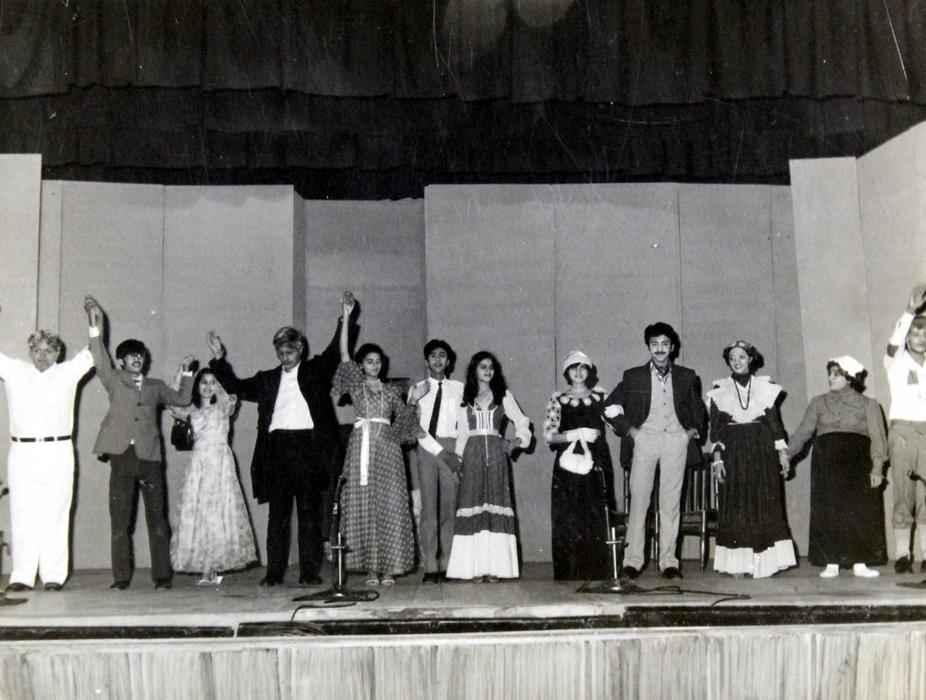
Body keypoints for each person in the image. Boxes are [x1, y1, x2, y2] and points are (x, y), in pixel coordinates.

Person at [207, 292, 359, 587]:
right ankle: (273, 573)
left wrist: (346, 317)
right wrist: (218, 359)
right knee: (277, 515)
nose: (285, 357)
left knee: (309, 514)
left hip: (308, 448)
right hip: (276, 450)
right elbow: (236, 385)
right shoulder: (266, 379)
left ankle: (309, 572)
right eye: (280, 352)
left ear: (300, 349)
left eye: (289, 351)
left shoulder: (315, 371)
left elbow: (333, 351)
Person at [84, 296, 195, 590]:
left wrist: (187, 372)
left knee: (157, 520)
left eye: (141, 355)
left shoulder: (156, 386)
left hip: (150, 458)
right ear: (122, 361)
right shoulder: (113, 379)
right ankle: (121, 578)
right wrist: (95, 323)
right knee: (120, 521)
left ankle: (162, 576)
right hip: (121, 456)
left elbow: (183, 399)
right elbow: (99, 355)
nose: (137, 359)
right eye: (131, 356)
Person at [0, 305, 94, 593]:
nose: (43, 356)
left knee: (57, 511)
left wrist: (94, 322)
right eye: (37, 350)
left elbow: (93, 352)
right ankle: (22, 575)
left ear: (58, 353)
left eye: (49, 351)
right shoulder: (15, 371)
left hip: (58, 451)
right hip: (22, 452)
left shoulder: (68, 372)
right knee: (22, 512)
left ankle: (54, 574)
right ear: (30, 351)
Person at [603, 322, 705, 580]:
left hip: (675, 442)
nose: (660, 349)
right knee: (639, 502)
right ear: (648, 347)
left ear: (672, 347)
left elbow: (699, 411)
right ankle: (632, 561)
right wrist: (632, 432)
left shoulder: (687, 376)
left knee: (671, 503)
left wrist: (688, 434)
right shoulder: (633, 376)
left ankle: (669, 561)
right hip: (645, 441)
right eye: (654, 344)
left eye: (664, 344)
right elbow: (609, 408)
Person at [332, 312, 427, 586]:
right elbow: (344, 354)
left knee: (389, 505)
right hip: (360, 449)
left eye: (378, 361)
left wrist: (413, 400)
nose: (374, 365)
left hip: (388, 451)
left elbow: (405, 422)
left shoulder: (393, 391)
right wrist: (347, 317)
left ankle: (389, 569)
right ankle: (371, 569)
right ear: (362, 365)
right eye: (369, 361)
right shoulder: (356, 387)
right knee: (364, 505)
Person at [788, 356, 887, 578]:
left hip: (858, 463)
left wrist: (877, 468)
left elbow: (878, 439)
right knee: (828, 510)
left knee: (859, 510)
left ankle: (860, 562)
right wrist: (787, 455)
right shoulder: (818, 402)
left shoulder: (869, 404)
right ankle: (830, 561)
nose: (830, 378)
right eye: (830, 374)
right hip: (826, 463)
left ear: (849, 378)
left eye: (836, 374)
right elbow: (803, 432)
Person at [707, 340, 795, 578]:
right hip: (734, 452)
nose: (737, 362)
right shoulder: (719, 389)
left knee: (764, 502)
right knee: (736, 503)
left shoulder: (766, 388)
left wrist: (782, 454)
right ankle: (738, 564)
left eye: (742, 357)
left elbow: (775, 425)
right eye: (732, 358)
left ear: (751, 359)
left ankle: (764, 564)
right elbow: (716, 430)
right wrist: (718, 460)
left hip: (761, 450)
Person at [445, 351, 531, 582]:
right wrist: (458, 462)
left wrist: (517, 441)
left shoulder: (503, 395)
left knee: (495, 507)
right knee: (473, 506)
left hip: (496, 455)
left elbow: (522, 421)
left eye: (491, 367)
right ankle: (473, 569)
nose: (488, 370)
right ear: (474, 369)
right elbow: (462, 434)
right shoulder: (465, 397)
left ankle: (496, 569)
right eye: (483, 366)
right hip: (472, 456)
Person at [168, 368, 257, 585]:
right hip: (200, 464)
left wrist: (219, 367)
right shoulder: (191, 411)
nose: (208, 387)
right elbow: (171, 400)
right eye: (203, 382)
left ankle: (216, 565)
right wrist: (182, 373)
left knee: (220, 511)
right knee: (201, 512)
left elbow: (228, 392)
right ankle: (205, 567)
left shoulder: (224, 407)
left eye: (212, 382)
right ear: (197, 386)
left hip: (221, 465)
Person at [543, 349, 615, 580]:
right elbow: (549, 436)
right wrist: (574, 434)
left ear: (589, 371)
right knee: (568, 514)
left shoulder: (601, 397)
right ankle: (568, 571)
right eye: (573, 367)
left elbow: (616, 424)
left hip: (596, 463)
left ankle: (596, 570)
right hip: (567, 466)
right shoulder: (558, 400)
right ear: (566, 372)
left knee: (595, 512)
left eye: (583, 367)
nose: (578, 372)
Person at [409, 339, 464, 583]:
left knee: (450, 509)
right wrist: (439, 452)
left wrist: (457, 454)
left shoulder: (460, 388)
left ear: (449, 361)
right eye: (433, 356)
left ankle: (448, 563)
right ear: (426, 361)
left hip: (452, 449)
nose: (438, 360)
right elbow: (413, 425)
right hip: (426, 448)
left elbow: (464, 424)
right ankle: (430, 565)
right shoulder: (417, 389)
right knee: (429, 509)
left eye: (442, 355)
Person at [883, 284, 926, 573]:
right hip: (902, 433)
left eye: (925, 334)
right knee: (903, 492)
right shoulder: (895, 362)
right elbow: (893, 342)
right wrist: (910, 311)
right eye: (915, 333)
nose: (920, 339)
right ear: (908, 338)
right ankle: (902, 554)